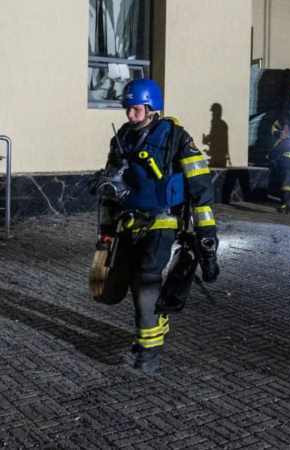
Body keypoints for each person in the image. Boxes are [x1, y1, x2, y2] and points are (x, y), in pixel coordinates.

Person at [93, 78, 219, 374]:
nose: (130, 116)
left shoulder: (175, 138)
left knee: (145, 282)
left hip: (163, 221)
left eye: (135, 109)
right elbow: (112, 189)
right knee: (127, 283)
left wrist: (207, 241)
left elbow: (200, 189)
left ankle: (148, 350)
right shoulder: (122, 138)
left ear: (151, 108)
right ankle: (154, 325)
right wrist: (106, 231)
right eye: (127, 109)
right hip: (129, 223)